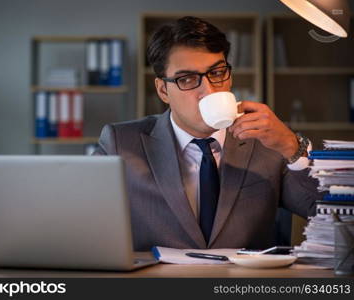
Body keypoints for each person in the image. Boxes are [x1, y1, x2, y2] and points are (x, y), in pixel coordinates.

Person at [94, 16, 321, 251]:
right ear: (163, 90)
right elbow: (77, 219)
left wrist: (292, 147)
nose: (209, 90)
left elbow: (332, 214)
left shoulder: (267, 142)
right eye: (188, 79)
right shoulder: (120, 143)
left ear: (229, 77)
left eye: (217, 73)